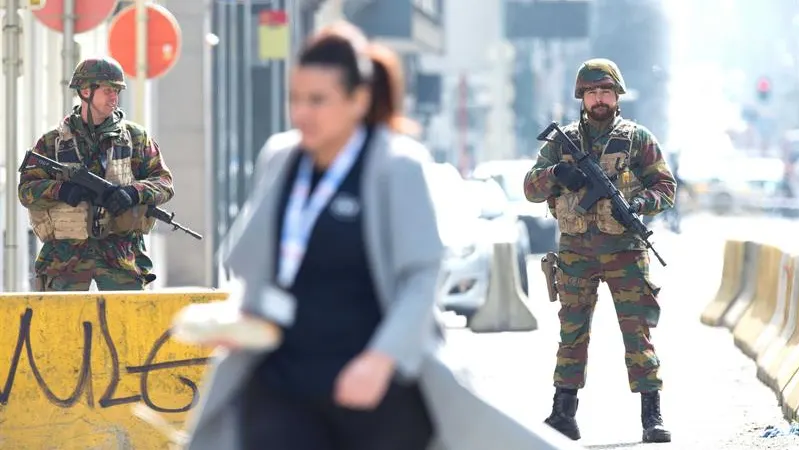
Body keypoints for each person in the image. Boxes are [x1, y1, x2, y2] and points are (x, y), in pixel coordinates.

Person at [177, 21, 583, 450]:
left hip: (376, 385)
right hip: (283, 380)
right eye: (295, 99)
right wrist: (243, 318)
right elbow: (258, 268)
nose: (302, 113)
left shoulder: (396, 165)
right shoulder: (281, 158)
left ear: (358, 100)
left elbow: (421, 278)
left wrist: (380, 359)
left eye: (318, 100)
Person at [524, 58, 676, 443]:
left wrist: (639, 205)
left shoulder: (637, 138)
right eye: (592, 92)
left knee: (637, 332)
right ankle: (563, 414)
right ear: (582, 97)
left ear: (617, 95)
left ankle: (651, 416)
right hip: (576, 252)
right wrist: (556, 174)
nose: (599, 99)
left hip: (625, 251)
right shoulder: (562, 142)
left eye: (606, 91)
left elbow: (665, 187)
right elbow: (529, 187)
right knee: (572, 334)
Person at [18, 56, 174, 291]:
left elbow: (164, 183)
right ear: (85, 91)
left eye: (117, 91)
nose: (115, 97)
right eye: (108, 90)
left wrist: (133, 193)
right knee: (59, 326)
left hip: (120, 258)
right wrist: (61, 190)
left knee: (123, 324)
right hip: (63, 260)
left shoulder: (135, 138)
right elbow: (26, 191)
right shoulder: (53, 141)